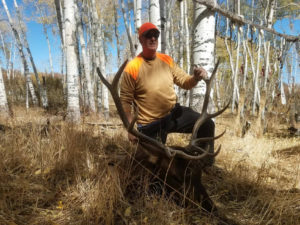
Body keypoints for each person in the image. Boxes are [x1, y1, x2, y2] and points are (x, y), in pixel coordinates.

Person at [120, 22, 215, 166]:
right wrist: (130, 128)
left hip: (174, 115)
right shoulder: (132, 67)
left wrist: (195, 78)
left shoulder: (166, 60)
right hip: (149, 125)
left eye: (155, 35)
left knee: (207, 124)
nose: (153, 39)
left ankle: (204, 163)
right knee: (153, 166)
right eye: (148, 36)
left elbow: (184, 81)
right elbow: (125, 101)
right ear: (140, 40)